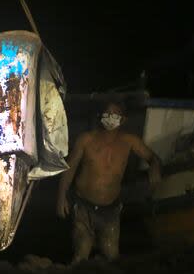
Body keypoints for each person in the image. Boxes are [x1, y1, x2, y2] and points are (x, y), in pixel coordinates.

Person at [57, 101, 161, 263]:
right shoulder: (86, 139)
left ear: (123, 119)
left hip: (111, 209)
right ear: (100, 117)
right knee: (81, 253)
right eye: (107, 113)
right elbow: (70, 168)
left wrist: (155, 169)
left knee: (112, 255)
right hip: (84, 206)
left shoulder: (130, 141)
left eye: (115, 114)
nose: (110, 118)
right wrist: (61, 196)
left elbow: (153, 158)